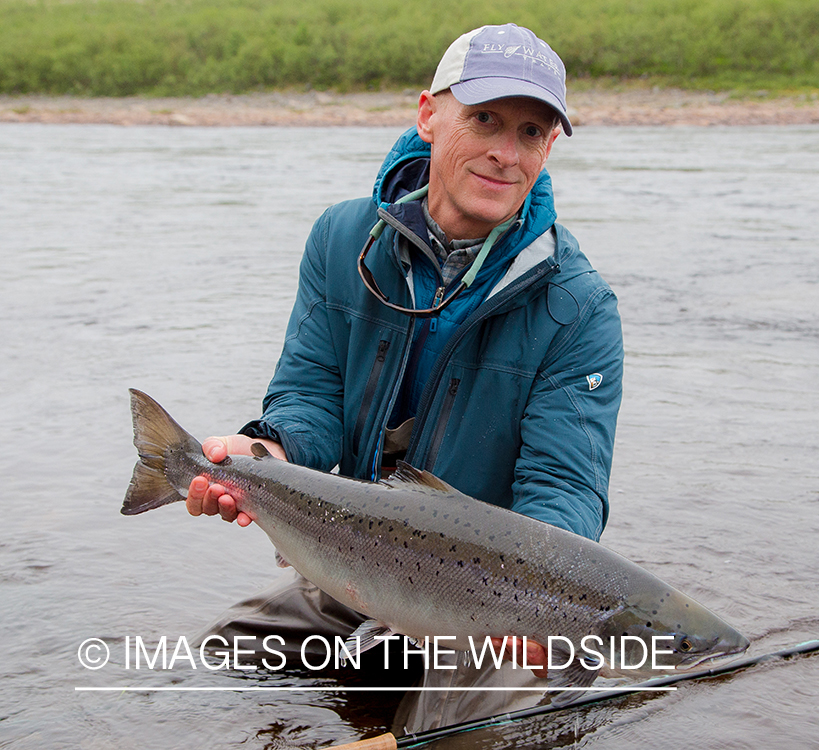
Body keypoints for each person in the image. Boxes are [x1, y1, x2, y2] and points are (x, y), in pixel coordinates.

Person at [184, 24, 624, 731]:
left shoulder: (579, 308)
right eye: (484, 119)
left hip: (489, 591)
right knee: (218, 667)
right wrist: (265, 454)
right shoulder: (340, 238)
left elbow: (564, 489)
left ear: (548, 148)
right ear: (428, 114)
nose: (504, 153)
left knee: (461, 735)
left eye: (531, 133)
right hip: (359, 555)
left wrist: (535, 603)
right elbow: (309, 393)